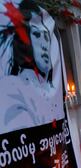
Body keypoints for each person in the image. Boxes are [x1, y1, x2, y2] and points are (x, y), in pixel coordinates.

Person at [0, 0, 65, 134]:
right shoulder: (12, 89)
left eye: (47, 37)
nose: (45, 44)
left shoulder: (47, 88)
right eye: (36, 34)